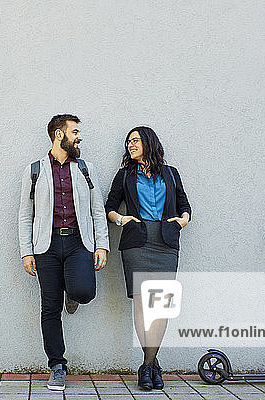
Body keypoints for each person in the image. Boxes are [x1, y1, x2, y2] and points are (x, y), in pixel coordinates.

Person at [18, 114, 109, 391]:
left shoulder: (86, 169)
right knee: (50, 307)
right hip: (45, 247)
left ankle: (73, 290)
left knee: (84, 292)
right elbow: (25, 214)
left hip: (79, 244)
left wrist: (101, 244)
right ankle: (57, 365)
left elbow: (97, 210)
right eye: (75, 132)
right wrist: (26, 251)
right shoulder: (34, 170)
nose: (79, 137)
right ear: (59, 135)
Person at [105, 126, 191, 390]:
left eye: (135, 141)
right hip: (137, 243)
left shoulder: (171, 173)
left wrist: (183, 220)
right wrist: (122, 219)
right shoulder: (125, 175)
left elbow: (185, 204)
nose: (130, 145)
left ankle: (147, 364)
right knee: (143, 305)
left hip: (165, 243)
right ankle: (151, 366)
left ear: (149, 143)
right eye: (128, 142)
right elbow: (109, 206)